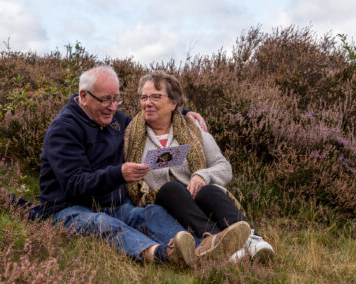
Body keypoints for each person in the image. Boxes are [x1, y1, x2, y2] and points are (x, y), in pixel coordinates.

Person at [38, 65, 247, 266]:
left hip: (115, 204)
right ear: (83, 96)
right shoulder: (63, 129)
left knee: (153, 213)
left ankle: (203, 248)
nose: (112, 106)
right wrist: (119, 174)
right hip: (68, 208)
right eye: (105, 100)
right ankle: (163, 254)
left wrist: (183, 113)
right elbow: (75, 185)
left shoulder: (114, 119)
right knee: (103, 224)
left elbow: (149, 118)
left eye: (116, 99)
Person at [124, 70, 274, 262]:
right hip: (163, 206)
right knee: (170, 189)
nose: (147, 103)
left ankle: (252, 240)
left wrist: (203, 175)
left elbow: (224, 168)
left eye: (155, 96)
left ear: (173, 103)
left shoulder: (195, 132)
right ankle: (216, 242)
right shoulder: (131, 136)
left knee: (209, 191)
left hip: (199, 201)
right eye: (144, 97)